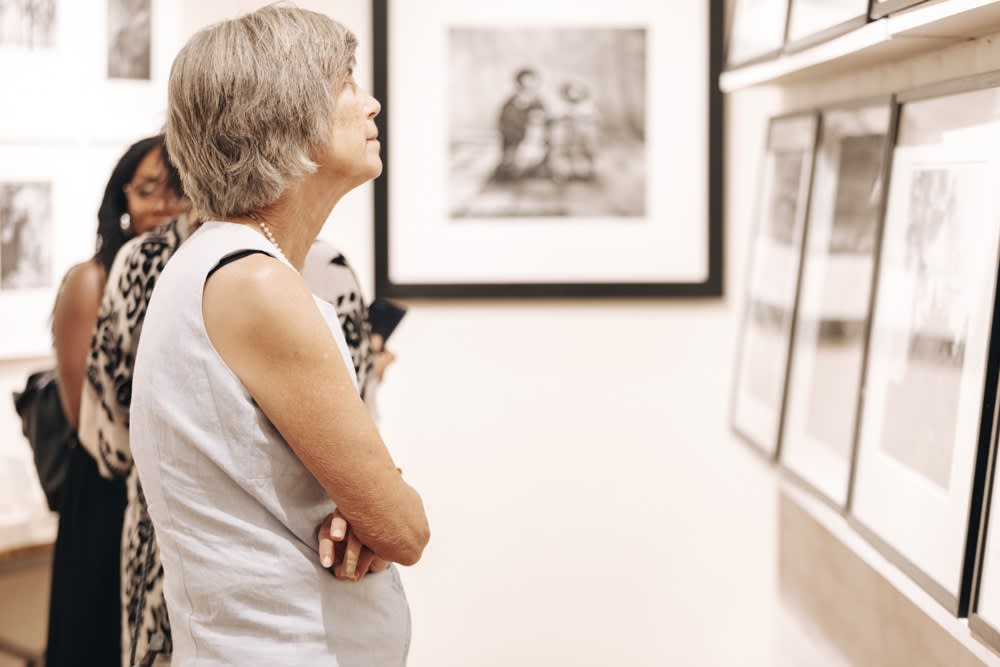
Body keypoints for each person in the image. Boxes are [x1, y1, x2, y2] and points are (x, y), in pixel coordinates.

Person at [130, 7, 429, 664]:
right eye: (348, 83)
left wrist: (367, 497)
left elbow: (368, 502)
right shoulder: (253, 281)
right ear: (288, 117)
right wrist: (378, 501)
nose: (371, 103)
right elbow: (405, 529)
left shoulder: (227, 263)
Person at [85, 222, 396, 665]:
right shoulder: (324, 268)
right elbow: (362, 440)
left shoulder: (149, 261)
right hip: (302, 562)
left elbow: (112, 438)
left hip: (175, 540)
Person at [46, 135, 191, 667]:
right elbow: (85, 411)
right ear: (121, 199)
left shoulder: (189, 275)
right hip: (106, 491)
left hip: (158, 501)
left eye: (177, 190)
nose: (163, 205)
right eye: (147, 190)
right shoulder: (94, 279)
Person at [495, 67, 546, 180]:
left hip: (535, 144)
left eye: (532, 82)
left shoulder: (538, 104)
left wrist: (534, 141)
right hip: (513, 144)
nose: (529, 87)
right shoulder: (510, 104)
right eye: (525, 83)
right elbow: (503, 126)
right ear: (519, 84)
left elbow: (542, 127)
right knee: (508, 169)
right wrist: (517, 142)